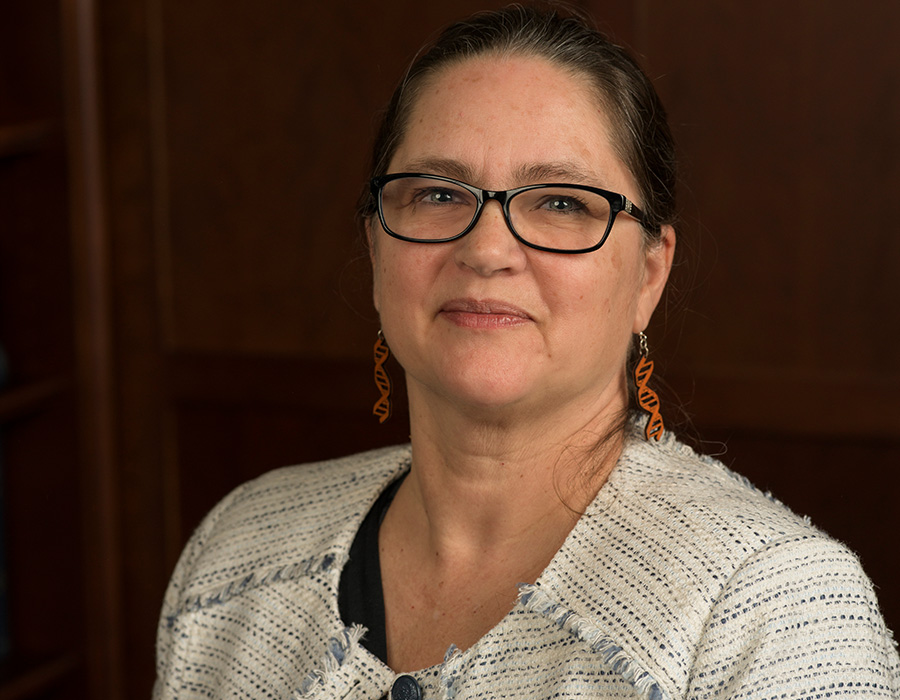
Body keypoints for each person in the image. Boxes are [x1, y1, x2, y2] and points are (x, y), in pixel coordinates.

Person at [153, 5, 900, 699]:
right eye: (439, 193)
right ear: (376, 248)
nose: (485, 250)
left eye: (563, 203)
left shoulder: (775, 607)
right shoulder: (237, 554)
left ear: (648, 273)